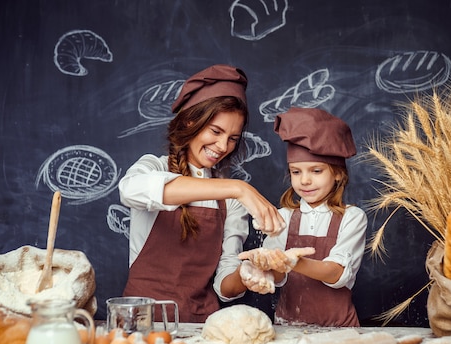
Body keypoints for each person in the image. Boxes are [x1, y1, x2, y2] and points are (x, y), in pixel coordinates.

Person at [118, 64, 286, 323]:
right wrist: (238, 187)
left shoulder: (231, 201)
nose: (222, 146)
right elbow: (130, 190)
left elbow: (224, 285)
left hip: (200, 325)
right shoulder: (154, 167)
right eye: (216, 131)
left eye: (232, 138)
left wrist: (245, 276)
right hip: (142, 323)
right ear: (190, 121)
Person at [236, 107, 367, 327]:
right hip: (288, 328)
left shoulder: (352, 217)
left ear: (337, 173)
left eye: (316, 171)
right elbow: (278, 279)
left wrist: (293, 261)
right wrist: (264, 267)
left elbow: (336, 273)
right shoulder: (283, 217)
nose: (304, 181)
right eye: (296, 172)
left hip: (339, 330)